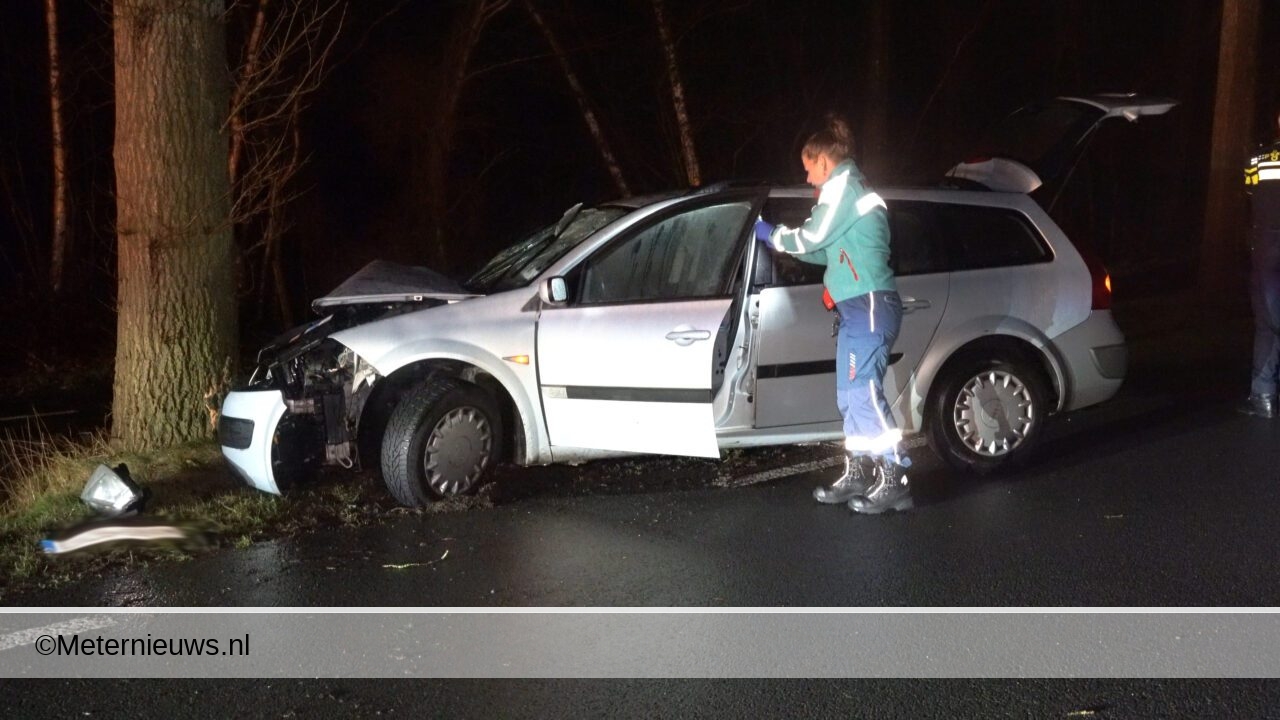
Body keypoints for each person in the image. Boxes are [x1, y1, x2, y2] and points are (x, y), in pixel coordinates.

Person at [753, 114, 912, 514]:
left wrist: (770, 234)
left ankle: (895, 478)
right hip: (856, 307)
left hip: (869, 303)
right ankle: (858, 471)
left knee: (864, 394)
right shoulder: (842, 194)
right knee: (848, 397)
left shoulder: (844, 187)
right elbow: (821, 249)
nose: (808, 179)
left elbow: (812, 236)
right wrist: (785, 246)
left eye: (809, 169)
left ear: (824, 161)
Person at [1240, 110, 1280, 419]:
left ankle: (1263, 395)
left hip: (1266, 245)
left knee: (1267, 322)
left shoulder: (1258, 158)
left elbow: (1251, 193)